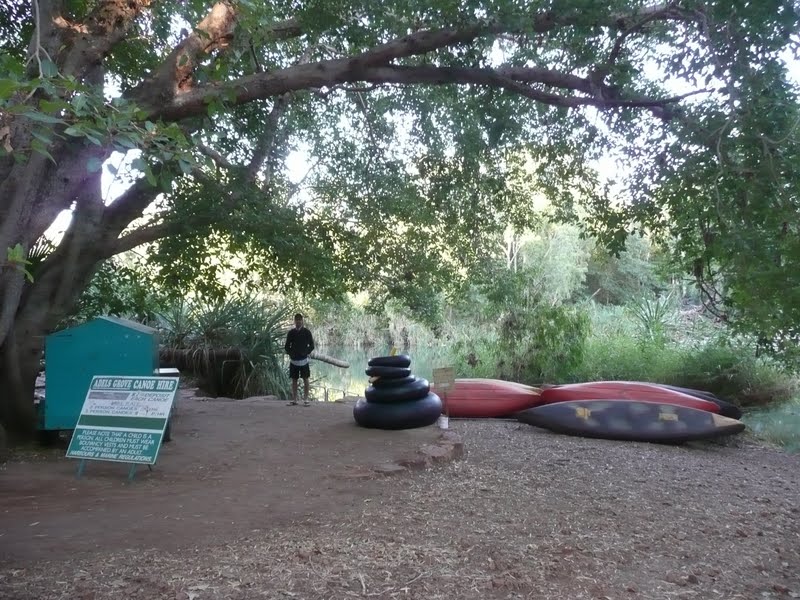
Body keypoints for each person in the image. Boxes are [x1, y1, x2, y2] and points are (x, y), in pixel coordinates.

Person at [285, 312, 314, 406]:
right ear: (294, 321)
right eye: (296, 320)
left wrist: (306, 352)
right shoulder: (291, 333)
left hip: (304, 360)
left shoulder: (307, 332)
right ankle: (294, 400)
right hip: (294, 361)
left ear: (302, 321)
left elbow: (312, 346)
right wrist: (291, 354)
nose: (298, 322)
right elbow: (286, 346)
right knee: (294, 380)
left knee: (306, 379)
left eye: (300, 320)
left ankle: (306, 399)